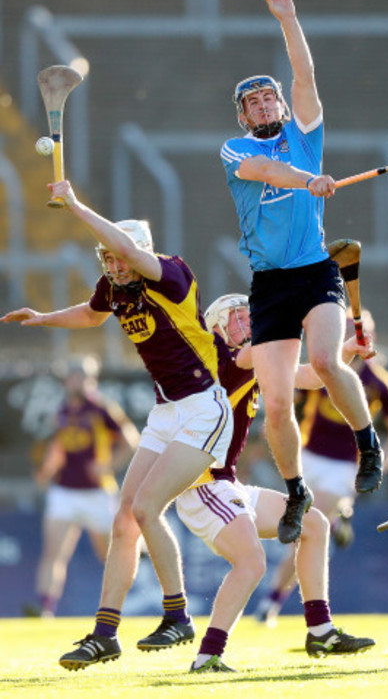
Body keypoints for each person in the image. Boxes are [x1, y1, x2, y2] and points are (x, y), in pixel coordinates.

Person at [1, 179, 234, 671]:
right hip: (167, 410)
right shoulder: (114, 285)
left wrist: (75, 204)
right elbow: (90, 315)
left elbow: (127, 248)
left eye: (118, 257)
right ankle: (105, 633)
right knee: (124, 516)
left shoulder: (170, 273)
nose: (112, 265)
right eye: (105, 259)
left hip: (203, 408)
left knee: (148, 508)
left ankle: (179, 616)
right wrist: (44, 318)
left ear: (139, 253)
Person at [220, 0, 384, 546]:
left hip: (317, 272)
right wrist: (306, 180)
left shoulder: (305, 133)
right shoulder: (238, 151)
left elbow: (305, 76)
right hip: (269, 284)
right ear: (244, 117)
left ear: (283, 105)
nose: (265, 104)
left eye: (270, 97)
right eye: (254, 102)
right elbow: (268, 174)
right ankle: (296, 491)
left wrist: (288, 19)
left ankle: (368, 446)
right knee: (278, 403)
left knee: (326, 358)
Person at [175, 293, 375, 672]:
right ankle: (207, 656)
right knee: (251, 563)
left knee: (314, 523)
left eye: (249, 316)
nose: (246, 323)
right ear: (217, 328)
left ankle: (320, 630)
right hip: (202, 485)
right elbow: (273, 345)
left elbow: (311, 376)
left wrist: (344, 348)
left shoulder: (253, 357)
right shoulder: (222, 354)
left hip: (225, 484)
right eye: (236, 318)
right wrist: (305, 306)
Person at [255, 309, 388, 626]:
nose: (349, 337)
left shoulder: (379, 382)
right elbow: (287, 401)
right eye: (343, 331)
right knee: (310, 528)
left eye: (357, 331)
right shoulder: (321, 367)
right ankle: (340, 519)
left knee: (305, 528)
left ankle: (272, 601)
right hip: (306, 457)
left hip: (342, 467)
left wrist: (380, 460)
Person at [23, 355, 139, 618]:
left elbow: (131, 440)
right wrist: (46, 471)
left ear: (91, 380)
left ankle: (120, 605)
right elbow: (57, 449)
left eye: (83, 375)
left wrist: (108, 465)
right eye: (74, 375)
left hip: (97, 492)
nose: (77, 380)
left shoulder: (101, 409)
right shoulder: (62, 412)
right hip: (64, 491)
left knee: (109, 555)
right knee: (53, 553)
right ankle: (45, 609)